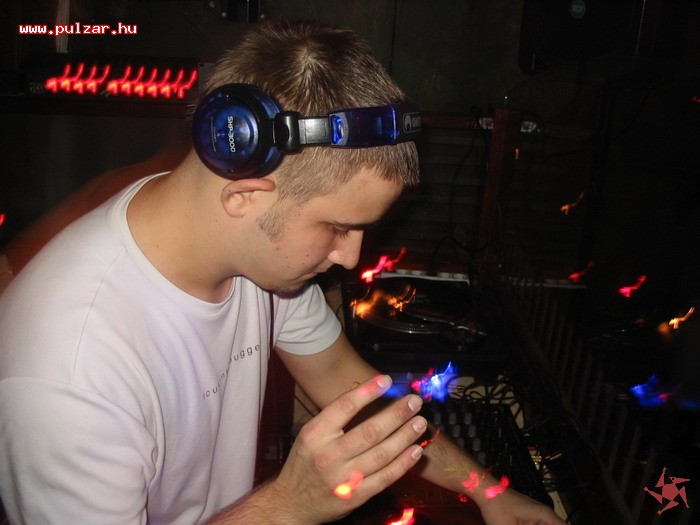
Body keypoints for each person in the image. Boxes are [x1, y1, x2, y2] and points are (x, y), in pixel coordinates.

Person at [0, 20, 566, 525]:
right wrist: (290, 504)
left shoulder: (260, 261)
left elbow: (343, 379)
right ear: (244, 196)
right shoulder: (67, 373)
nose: (351, 258)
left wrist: (488, 491)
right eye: (338, 227)